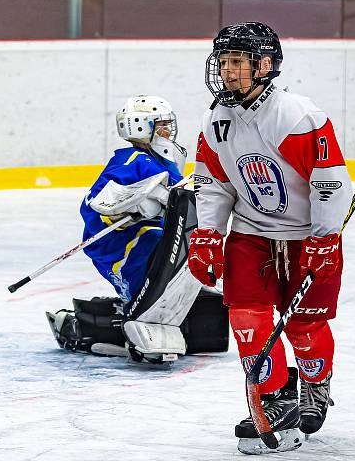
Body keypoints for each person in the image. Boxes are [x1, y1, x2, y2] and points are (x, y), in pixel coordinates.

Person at [188, 22, 352, 454]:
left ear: (264, 65)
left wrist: (324, 236)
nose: (226, 71)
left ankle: (315, 385)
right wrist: (207, 233)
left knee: (304, 325)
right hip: (251, 233)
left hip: (306, 237)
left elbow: (330, 181)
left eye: (236, 62)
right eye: (222, 62)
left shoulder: (296, 115)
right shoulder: (216, 118)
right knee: (246, 318)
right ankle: (277, 398)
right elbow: (214, 182)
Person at [46, 95, 229, 364]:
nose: (169, 131)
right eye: (162, 125)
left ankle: (157, 312)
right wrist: (131, 205)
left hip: (147, 236)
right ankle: (133, 320)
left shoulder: (160, 163)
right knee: (156, 250)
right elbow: (96, 206)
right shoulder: (130, 160)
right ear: (141, 126)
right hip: (121, 244)